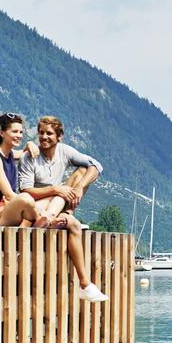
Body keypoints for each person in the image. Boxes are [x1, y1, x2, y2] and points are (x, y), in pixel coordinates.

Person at [18, 115, 107, 303]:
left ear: (59, 137)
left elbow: (96, 166)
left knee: (83, 173)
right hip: (35, 207)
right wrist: (55, 189)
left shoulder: (64, 151)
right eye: (41, 133)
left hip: (56, 206)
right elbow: (25, 192)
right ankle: (54, 218)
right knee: (69, 215)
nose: (44, 137)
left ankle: (86, 285)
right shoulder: (29, 157)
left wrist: (80, 187)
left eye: (49, 133)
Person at [0, 113, 41, 227]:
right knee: (26, 198)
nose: (19, 135)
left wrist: (30, 143)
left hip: (9, 209)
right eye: (14, 132)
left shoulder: (9, 154)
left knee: (44, 200)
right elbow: (9, 195)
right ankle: (36, 221)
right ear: (2, 133)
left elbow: (23, 152)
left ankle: (30, 222)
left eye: (21, 132)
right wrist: (33, 205)